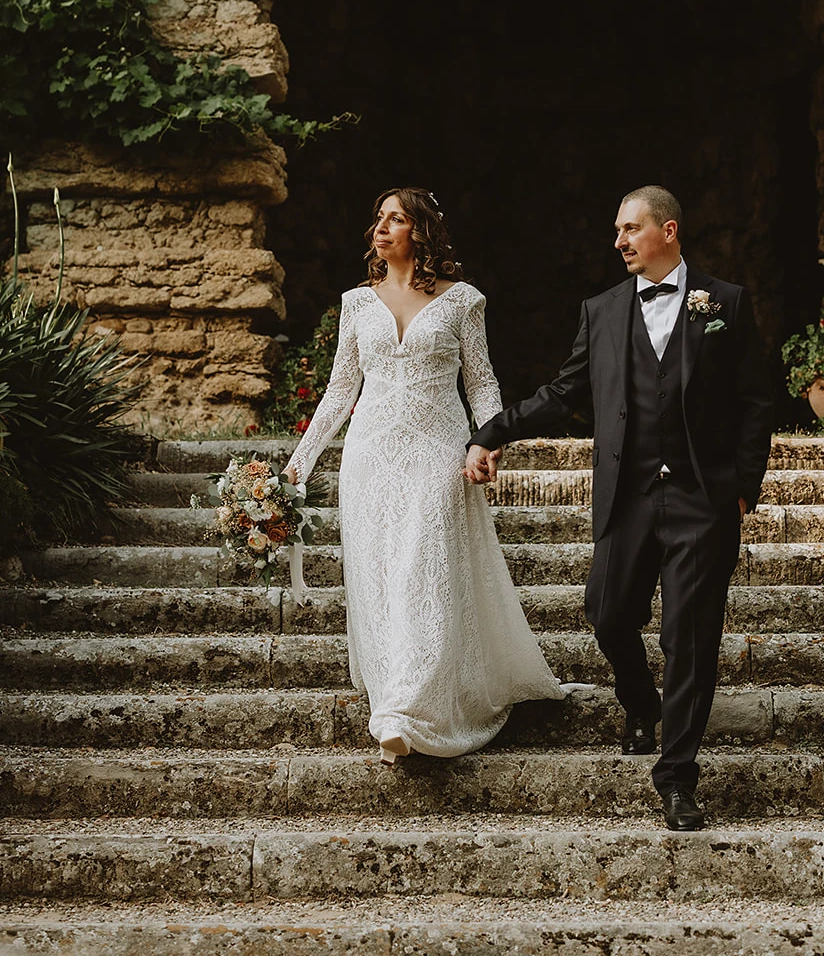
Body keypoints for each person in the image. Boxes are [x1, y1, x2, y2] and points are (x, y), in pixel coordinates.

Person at [465, 184, 774, 830]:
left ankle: (677, 777)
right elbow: (563, 392)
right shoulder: (601, 312)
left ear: (668, 230)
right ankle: (639, 701)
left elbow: (753, 398)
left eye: (630, 228)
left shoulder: (725, 302)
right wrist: (493, 431)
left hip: (701, 497)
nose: (619, 241)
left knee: (689, 640)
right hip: (627, 493)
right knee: (607, 615)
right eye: (616, 230)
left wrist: (743, 481)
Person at [283, 186, 562, 765]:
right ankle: (392, 694)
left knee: (422, 570)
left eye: (396, 219)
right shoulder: (356, 303)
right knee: (381, 576)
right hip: (370, 456)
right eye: (379, 219)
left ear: (422, 230)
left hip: (438, 452)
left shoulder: (463, 301)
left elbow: (481, 381)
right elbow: (340, 390)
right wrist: (300, 462)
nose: (381, 228)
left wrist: (489, 440)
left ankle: (406, 710)